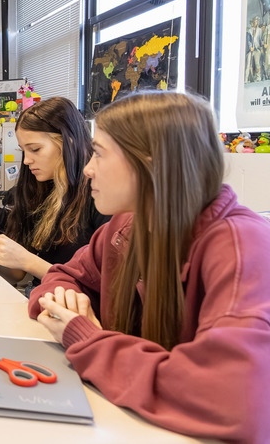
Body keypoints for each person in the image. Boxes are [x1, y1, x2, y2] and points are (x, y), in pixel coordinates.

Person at [29, 92, 270, 442]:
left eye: (98, 153)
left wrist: (87, 339)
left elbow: (233, 399)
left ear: (151, 162)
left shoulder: (241, 246)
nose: (87, 169)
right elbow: (61, 276)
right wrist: (64, 302)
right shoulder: (125, 226)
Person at [0, 97, 108, 294]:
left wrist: (28, 261)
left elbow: (101, 289)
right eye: (23, 151)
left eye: (35, 149)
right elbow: (13, 276)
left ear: (68, 142)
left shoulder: (100, 197)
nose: (27, 160)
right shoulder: (31, 192)